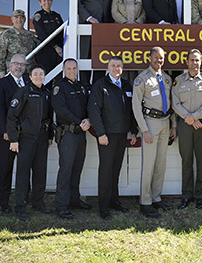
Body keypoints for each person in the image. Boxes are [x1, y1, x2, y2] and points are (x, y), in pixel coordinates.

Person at [88, 56, 138, 219]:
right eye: (113, 66)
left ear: (122, 69)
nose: (116, 69)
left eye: (119, 66)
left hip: (122, 133)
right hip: (106, 135)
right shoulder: (100, 86)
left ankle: (114, 201)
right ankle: (103, 207)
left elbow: (130, 111)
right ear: (108, 68)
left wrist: (133, 131)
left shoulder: (126, 86)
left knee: (116, 169)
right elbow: (94, 112)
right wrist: (101, 133)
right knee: (106, 170)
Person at [132, 47, 177, 218]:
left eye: (161, 58)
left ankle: (156, 198)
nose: (159, 61)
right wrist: (144, 130)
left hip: (165, 123)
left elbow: (171, 104)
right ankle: (145, 201)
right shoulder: (142, 79)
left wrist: (173, 125)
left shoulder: (166, 78)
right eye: (156, 58)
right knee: (148, 166)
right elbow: (136, 106)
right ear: (149, 58)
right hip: (150, 123)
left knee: (160, 164)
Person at [7, 65, 53, 221]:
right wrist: (13, 139)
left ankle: (38, 203)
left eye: (41, 74)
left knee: (40, 171)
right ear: (31, 77)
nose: (39, 77)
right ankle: (20, 206)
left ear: (44, 76)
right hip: (26, 138)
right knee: (23, 172)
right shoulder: (23, 92)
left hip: (42, 137)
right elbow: (12, 116)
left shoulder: (46, 93)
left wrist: (50, 136)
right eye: (36, 74)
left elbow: (49, 116)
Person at [172, 49, 202, 209]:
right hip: (185, 124)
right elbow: (175, 102)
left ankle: (200, 196)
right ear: (187, 62)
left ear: (201, 62)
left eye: (197, 60)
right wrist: (189, 118)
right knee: (186, 160)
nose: (194, 63)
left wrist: (195, 117)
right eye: (192, 60)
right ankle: (187, 195)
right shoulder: (178, 81)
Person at [52, 58, 92, 219]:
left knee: (77, 168)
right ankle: (61, 205)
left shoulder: (80, 86)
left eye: (74, 68)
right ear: (63, 69)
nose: (71, 71)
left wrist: (88, 119)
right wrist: (79, 121)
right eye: (68, 68)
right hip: (68, 134)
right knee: (66, 169)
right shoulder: (59, 87)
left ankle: (74, 200)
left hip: (81, 132)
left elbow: (88, 106)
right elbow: (60, 110)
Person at [78, 0, 113, 85]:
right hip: (87, 25)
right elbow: (78, 3)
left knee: (101, 57)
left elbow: (108, 5)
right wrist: (89, 17)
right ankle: (85, 86)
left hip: (103, 28)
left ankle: (98, 85)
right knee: (86, 56)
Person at [0, 54, 27, 214]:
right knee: (5, 169)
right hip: (7, 135)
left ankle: (23, 201)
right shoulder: (3, 83)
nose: (19, 67)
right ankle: (3, 203)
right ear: (10, 65)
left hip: (25, 134)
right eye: (16, 64)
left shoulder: (28, 83)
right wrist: (4, 131)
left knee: (24, 169)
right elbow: (1, 109)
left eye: (22, 65)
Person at [33, 0, 64, 85]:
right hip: (46, 51)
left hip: (58, 52)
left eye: (49, 0)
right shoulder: (38, 16)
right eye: (44, 1)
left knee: (59, 78)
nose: (47, 3)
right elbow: (42, 35)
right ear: (40, 3)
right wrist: (55, 47)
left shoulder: (57, 16)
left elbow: (62, 33)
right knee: (47, 79)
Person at [0, 9, 37, 78]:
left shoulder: (30, 35)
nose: (19, 20)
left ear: (25, 19)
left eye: (21, 18)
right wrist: (1, 72)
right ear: (12, 19)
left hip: (28, 72)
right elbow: (1, 55)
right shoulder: (7, 34)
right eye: (16, 17)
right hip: (12, 72)